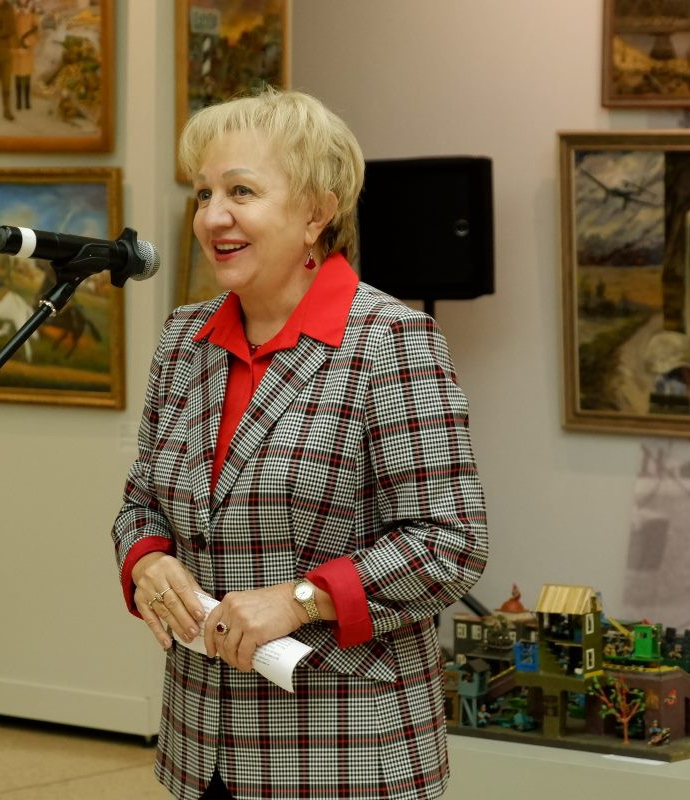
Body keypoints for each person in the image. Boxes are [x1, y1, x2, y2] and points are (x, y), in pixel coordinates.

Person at [112, 88, 489, 800]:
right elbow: (141, 503)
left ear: (317, 212)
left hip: (343, 748)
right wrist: (147, 561)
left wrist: (301, 599)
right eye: (203, 193)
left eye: (241, 191)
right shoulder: (184, 340)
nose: (211, 216)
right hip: (201, 740)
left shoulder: (392, 342)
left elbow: (451, 544)